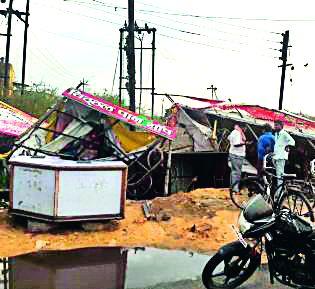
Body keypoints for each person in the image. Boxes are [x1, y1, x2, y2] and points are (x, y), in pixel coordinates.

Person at [273, 120, 295, 199]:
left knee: (280, 176)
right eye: (274, 125)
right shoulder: (276, 134)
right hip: (276, 157)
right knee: (277, 175)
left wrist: (287, 145)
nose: (275, 127)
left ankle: (280, 194)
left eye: (276, 125)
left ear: (281, 126)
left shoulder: (284, 133)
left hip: (281, 157)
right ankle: (278, 192)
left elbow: (293, 142)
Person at [227, 123, 251, 193]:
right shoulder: (237, 132)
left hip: (234, 154)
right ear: (243, 127)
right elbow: (236, 144)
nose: (246, 129)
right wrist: (246, 143)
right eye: (245, 128)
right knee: (237, 172)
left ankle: (232, 187)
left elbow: (229, 138)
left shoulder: (235, 131)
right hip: (237, 155)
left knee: (234, 171)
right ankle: (235, 188)